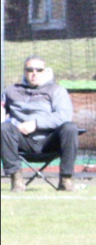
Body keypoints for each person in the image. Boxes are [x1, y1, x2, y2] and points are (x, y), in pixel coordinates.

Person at [2, 57, 79, 192]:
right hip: (22, 141)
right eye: (30, 70)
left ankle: (66, 179)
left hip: (50, 142)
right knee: (4, 128)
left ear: (46, 71)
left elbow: (64, 116)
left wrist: (36, 123)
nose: (34, 73)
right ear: (24, 72)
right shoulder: (11, 91)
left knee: (70, 128)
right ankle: (16, 179)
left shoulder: (57, 90)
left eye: (39, 70)